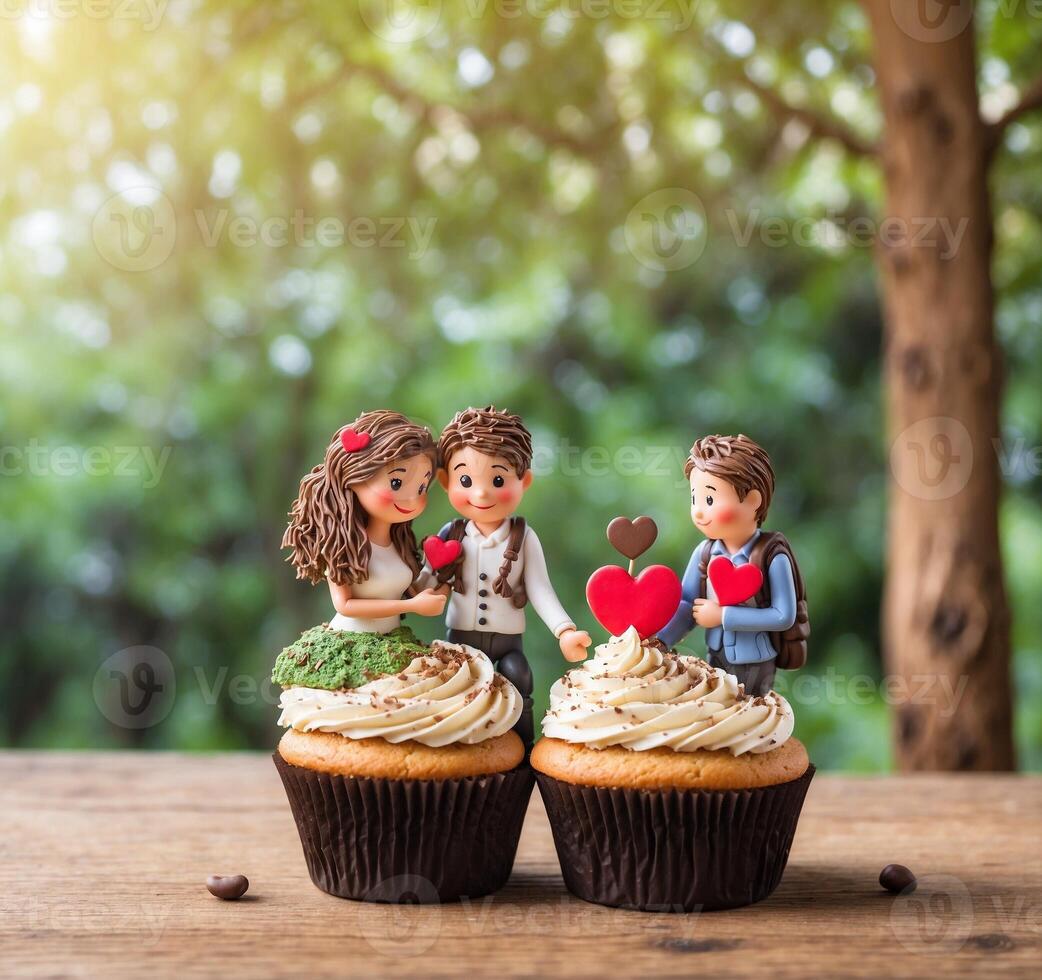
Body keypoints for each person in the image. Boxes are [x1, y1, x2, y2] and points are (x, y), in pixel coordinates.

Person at [424, 406, 591, 748]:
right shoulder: (451, 534)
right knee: (458, 686)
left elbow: (540, 588)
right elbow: (426, 578)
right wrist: (414, 596)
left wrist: (565, 630)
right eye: (466, 480)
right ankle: (458, 746)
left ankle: (522, 750)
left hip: (508, 640)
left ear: (523, 482)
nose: (482, 493)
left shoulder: (523, 537)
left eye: (497, 480)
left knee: (518, 677)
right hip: (461, 638)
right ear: (446, 482)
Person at [658, 434, 808, 696]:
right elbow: (686, 603)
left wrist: (723, 616)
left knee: (749, 715)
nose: (699, 511)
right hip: (715, 652)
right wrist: (661, 639)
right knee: (716, 710)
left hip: (755, 659)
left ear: (752, 501)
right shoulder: (705, 554)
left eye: (710, 500)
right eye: (695, 499)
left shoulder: (772, 556)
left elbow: (783, 615)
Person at [282, 410, 447, 632]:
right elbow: (345, 605)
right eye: (396, 483)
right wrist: (412, 606)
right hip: (350, 640)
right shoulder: (342, 544)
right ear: (355, 478)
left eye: (421, 488)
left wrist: (441, 583)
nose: (412, 499)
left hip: (393, 641)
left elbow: (404, 588)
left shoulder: (400, 545)